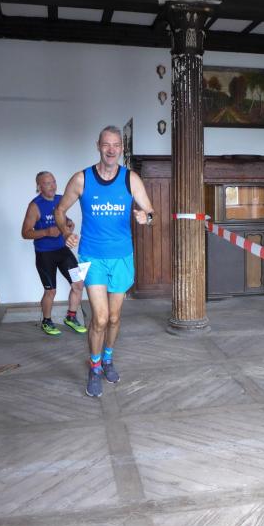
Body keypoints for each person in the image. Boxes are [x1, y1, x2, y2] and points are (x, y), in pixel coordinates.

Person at [55, 126, 155, 397]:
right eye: (106, 144)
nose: (111, 150)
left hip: (122, 257)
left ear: (121, 148)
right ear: (98, 145)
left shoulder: (130, 179)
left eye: (116, 145)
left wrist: (147, 218)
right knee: (99, 318)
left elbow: (150, 211)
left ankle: (108, 357)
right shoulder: (82, 179)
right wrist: (65, 232)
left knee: (113, 317)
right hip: (92, 257)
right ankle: (95, 366)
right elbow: (60, 210)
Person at [21, 171, 87, 336]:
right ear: (39, 187)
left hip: (63, 251)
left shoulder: (60, 199)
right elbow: (25, 233)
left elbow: (63, 219)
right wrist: (46, 232)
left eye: (54, 182)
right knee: (50, 291)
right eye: (47, 183)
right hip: (45, 254)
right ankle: (47, 321)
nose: (52, 186)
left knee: (78, 284)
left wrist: (68, 224)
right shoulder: (35, 206)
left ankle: (71, 317)